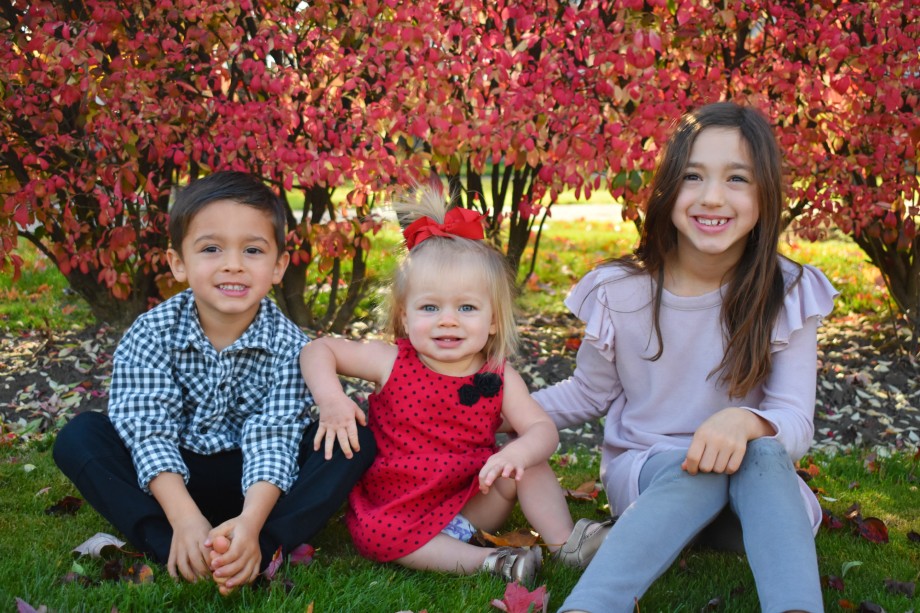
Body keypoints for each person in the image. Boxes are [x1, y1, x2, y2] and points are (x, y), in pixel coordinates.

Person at [532, 102, 837, 612]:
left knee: (760, 451)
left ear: (765, 194)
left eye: (737, 178)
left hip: (752, 503)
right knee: (699, 468)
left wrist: (744, 421)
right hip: (651, 480)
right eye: (693, 176)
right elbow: (587, 392)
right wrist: (492, 411)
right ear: (668, 187)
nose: (712, 196)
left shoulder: (788, 290)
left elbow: (794, 419)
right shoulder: (621, 289)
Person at [53, 171, 375, 595]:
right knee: (80, 436)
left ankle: (257, 547)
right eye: (211, 249)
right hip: (172, 478)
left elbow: (274, 438)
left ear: (278, 266)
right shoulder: (151, 332)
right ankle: (172, 541)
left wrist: (252, 521)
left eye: (252, 250)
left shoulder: (291, 346)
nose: (233, 264)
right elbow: (148, 432)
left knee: (353, 441)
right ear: (178, 263)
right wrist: (185, 517)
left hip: (256, 482)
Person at [299, 180, 610, 584]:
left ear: (493, 320)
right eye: (430, 307)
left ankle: (566, 544)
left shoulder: (498, 375)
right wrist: (332, 400)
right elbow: (318, 349)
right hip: (398, 507)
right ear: (405, 317)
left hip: (471, 499)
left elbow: (541, 428)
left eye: (466, 308)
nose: (448, 320)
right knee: (377, 536)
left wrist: (518, 453)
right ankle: (493, 562)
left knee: (528, 463)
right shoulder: (390, 361)